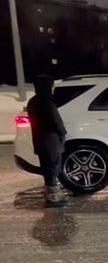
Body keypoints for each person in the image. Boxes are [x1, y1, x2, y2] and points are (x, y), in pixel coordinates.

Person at [27, 75, 67, 207]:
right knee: (53, 167)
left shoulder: (33, 101)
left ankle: (51, 195)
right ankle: (53, 198)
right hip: (50, 139)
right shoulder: (47, 101)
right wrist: (62, 132)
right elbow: (55, 120)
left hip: (39, 138)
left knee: (47, 167)